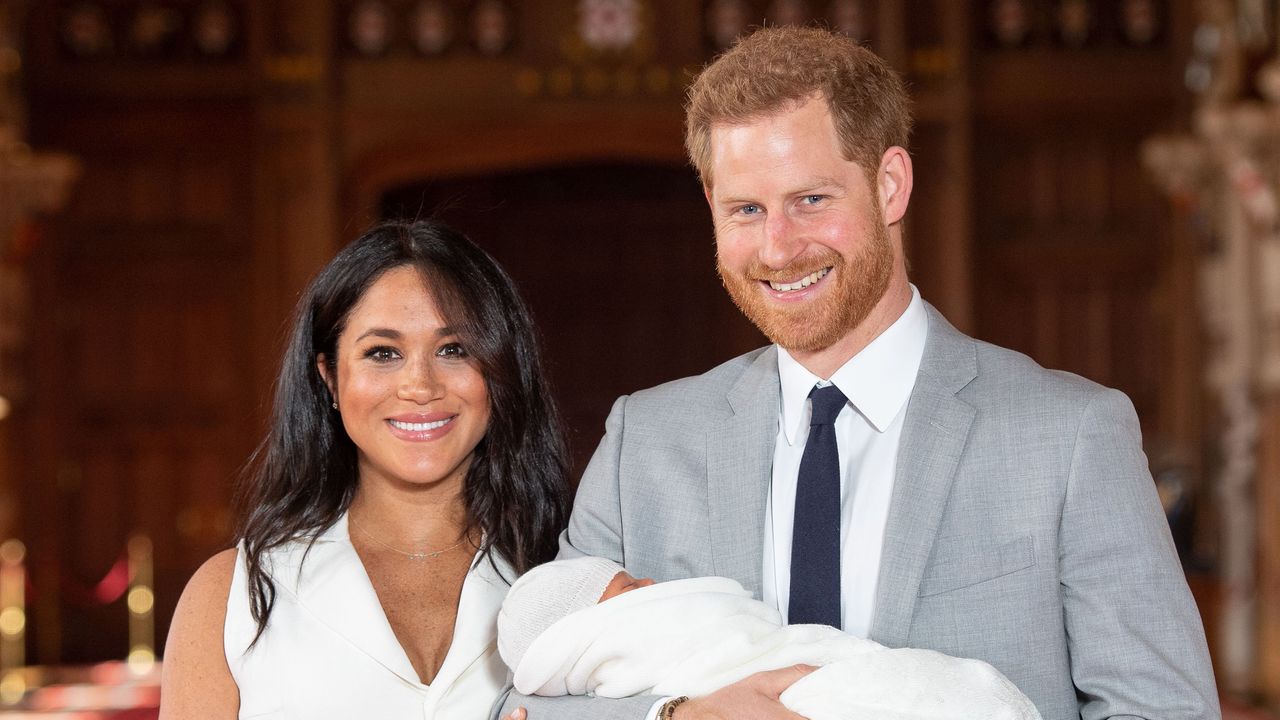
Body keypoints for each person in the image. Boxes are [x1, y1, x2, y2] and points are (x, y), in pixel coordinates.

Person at [499, 25, 1219, 720]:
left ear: (891, 185)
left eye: (811, 200)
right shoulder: (645, 444)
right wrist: (676, 716)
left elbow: (1165, 711)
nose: (778, 248)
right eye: (745, 209)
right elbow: (526, 702)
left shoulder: (1069, 436)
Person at [160, 220, 572, 719]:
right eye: (383, 353)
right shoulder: (230, 597)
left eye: (454, 350)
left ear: (501, 370)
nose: (420, 386)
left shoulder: (572, 577)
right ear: (329, 378)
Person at [497, 557, 1042, 720]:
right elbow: (524, 706)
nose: (653, 586)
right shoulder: (636, 434)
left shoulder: (1078, 423)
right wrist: (680, 715)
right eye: (634, 587)